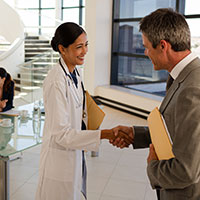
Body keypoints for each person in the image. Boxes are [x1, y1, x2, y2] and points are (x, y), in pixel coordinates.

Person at [35, 22, 133, 200]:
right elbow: (61, 135)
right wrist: (104, 134)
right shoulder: (56, 81)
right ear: (62, 49)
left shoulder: (76, 73)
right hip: (58, 160)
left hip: (74, 153)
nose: (85, 51)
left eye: (86, 45)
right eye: (79, 47)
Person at [111, 8, 200, 200]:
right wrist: (137, 134)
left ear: (162, 46)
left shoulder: (192, 90)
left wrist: (152, 166)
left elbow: (186, 171)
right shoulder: (185, 76)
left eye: (146, 46)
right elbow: (180, 132)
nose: (145, 52)